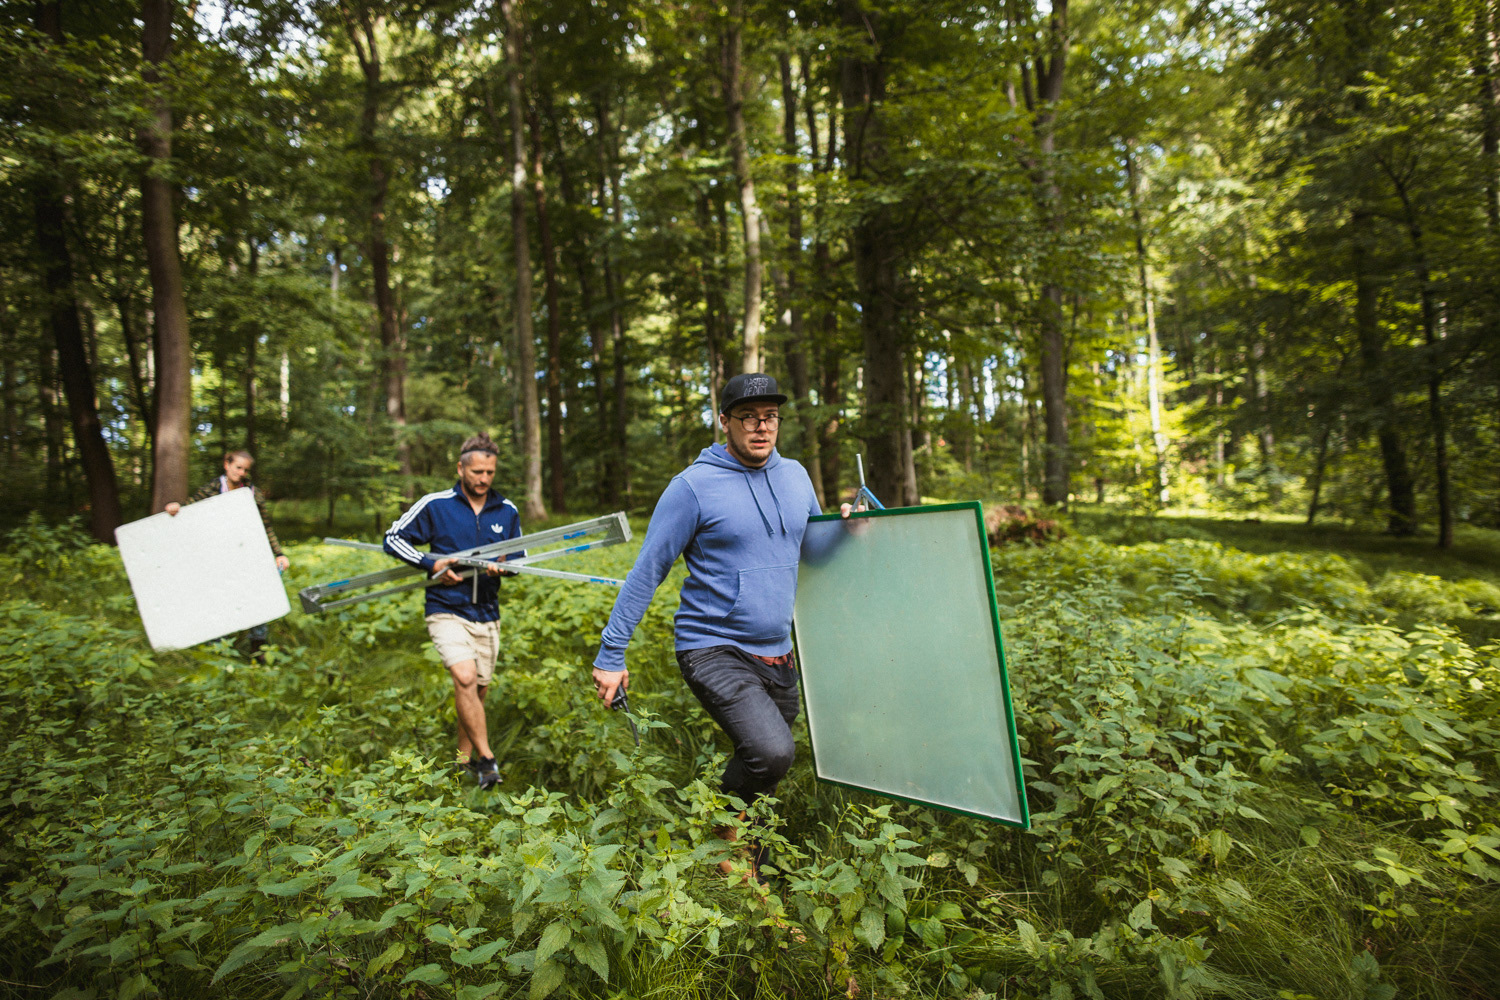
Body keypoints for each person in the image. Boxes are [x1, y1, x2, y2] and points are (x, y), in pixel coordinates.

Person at [590, 373, 858, 875]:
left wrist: (846, 528)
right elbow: (648, 569)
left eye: (771, 417)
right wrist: (611, 654)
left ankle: (742, 866)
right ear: (725, 422)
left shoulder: (796, 475)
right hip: (711, 644)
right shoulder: (692, 487)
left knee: (765, 768)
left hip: (778, 649)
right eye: (749, 418)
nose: (762, 428)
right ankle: (722, 834)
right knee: (772, 752)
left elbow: (811, 552)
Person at [383, 433, 521, 791]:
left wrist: (505, 566)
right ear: (460, 468)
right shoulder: (436, 504)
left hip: (487, 612)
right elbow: (393, 538)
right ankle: (489, 760)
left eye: (490, 472)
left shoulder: (506, 510)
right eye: (477, 471)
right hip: (446, 608)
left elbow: (520, 558)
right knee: (463, 677)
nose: (484, 479)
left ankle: (464, 761)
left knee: (477, 690)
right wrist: (431, 563)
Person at [166, 449, 290, 659]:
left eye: (245, 469)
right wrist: (176, 508)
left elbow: (264, 526)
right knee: (219, 597)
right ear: (227, 464)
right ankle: (219, 650)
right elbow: (190, 509)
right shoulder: (214, 489)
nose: (241, 472)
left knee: (258, 593)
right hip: (218, 555)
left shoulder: (251, 492)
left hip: (248, 551)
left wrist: (278, 553)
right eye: (237, 467)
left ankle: (258, 648)